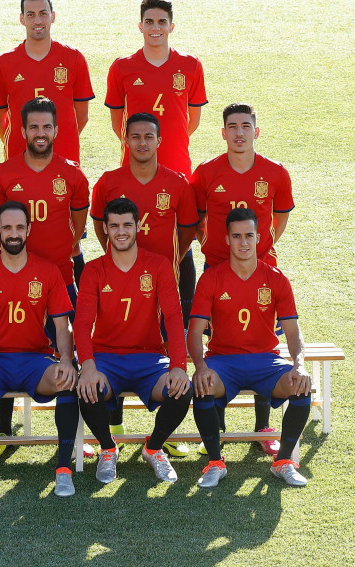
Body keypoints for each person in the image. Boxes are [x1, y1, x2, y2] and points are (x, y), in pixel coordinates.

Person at [89, 113, 198, 456]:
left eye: (148, 136)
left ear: (159, 140)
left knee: (163, 343)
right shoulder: (108, 182)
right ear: (125, 139)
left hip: (162, 279)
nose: (141, 143)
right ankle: (113, 424)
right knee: (117, 338)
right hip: (119, 279)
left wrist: (171, 261)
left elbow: (189, 229)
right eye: (134, 136)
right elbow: (97, 225)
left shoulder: (177, 182)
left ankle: (165, 434)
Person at [0, 201, 77, 497]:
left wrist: (68, 361)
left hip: (36, 358)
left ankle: (63, 470)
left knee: (67, 381)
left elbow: (63, 326)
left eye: (19, 227)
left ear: (29, 230)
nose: (13, 233)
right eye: (7, 227)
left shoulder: (47, 271)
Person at [191, 103, 295, 456]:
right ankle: (215, 423)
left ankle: (263, 426)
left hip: (260, 270)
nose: (239, 132)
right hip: (216, 272)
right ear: (222, 132)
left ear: (256, 131)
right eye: (232, 126)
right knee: (219, 343)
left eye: (246, 126)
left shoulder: (276, 174)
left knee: (260, 344)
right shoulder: (205, 173)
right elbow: (198, 220)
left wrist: (260, 250)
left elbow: (278, 220)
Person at [0, 97, 87, 456]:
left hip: (60, 279)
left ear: (57, 130)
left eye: (47, 127)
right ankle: (3, 433)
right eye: (33, 127)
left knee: (70, 357)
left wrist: (59, 253)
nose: (40, 133)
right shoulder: (3, 174)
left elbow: (78, 226)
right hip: (13, 280)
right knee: (8, 349)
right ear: (21, 130)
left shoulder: (73, 174)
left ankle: (76, 440)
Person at [106, 0, 205, 346]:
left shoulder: (190, 66)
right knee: (134, 239)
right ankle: (129, 325)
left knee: (181, 243)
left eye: (162, 22)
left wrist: (168, 148)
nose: (156, 28)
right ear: (140, 26)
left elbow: (190, 120)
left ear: (171, 26)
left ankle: (179, 330)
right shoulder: (122, 67)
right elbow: (119, 121)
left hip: (177, 170)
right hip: (133, 172)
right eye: (149, 22)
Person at [75, 198, 193, 486]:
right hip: (107, 358)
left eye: (127, 224)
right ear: (105, 228)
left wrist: (178, 365)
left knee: (181, 390)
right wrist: (88, 365)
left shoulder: (158, 265)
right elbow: (81, 323)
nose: (121, 231)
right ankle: (108, 448)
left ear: (138, 226)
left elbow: (174, 317)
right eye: (114, 226)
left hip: (150, 359)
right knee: (87, 387)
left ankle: (153, 448)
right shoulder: (94, 269)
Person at [190, 207, 311, 488]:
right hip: (223, 361)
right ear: (227, 239)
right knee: (202, 385)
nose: (243, 242)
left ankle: (283, 462)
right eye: (236, 236)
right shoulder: (211, 278)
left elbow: (292, 331)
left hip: (266, 361)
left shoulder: (276, 278)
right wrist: (201, 367)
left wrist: (299, 364)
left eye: (248, 235)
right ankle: (215, 462)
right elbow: (195, 332)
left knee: (302, 385)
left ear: (259, 238)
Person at [0, 0, 94, 163]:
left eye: (43, 14)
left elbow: (82, 116)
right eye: (31, 15)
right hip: (19, 156)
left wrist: (58, 138)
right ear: (22, 19)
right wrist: (22, 140)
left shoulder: (74, 58)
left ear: (53, 16)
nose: (37, 20)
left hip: (64, 156)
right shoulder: (4, 62)